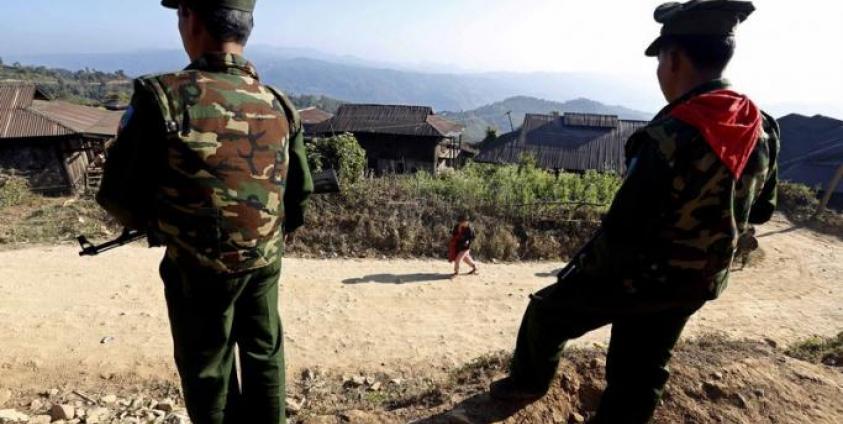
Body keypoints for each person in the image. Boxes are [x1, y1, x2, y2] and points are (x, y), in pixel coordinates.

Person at [490, 1, 779, 423]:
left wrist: (581, 272)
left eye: (661, 59)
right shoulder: (762, 126)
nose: (660, 70)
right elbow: (764, 210)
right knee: (642, 365)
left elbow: (623, 231)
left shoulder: (670, 135)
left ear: (675, 58)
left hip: (638, 277)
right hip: (699, 280)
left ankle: (526, 384)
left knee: (546, 314)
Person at [96, 0, 313, 423]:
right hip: (264, 260)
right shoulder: (279, 103)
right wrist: (267, 236)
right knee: (264, 351)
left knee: (208, 367)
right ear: (246, 28)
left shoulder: (161, 97)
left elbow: (118, 195)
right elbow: (299, 192)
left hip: (196, 266)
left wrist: (160, 223)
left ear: (190, 18)